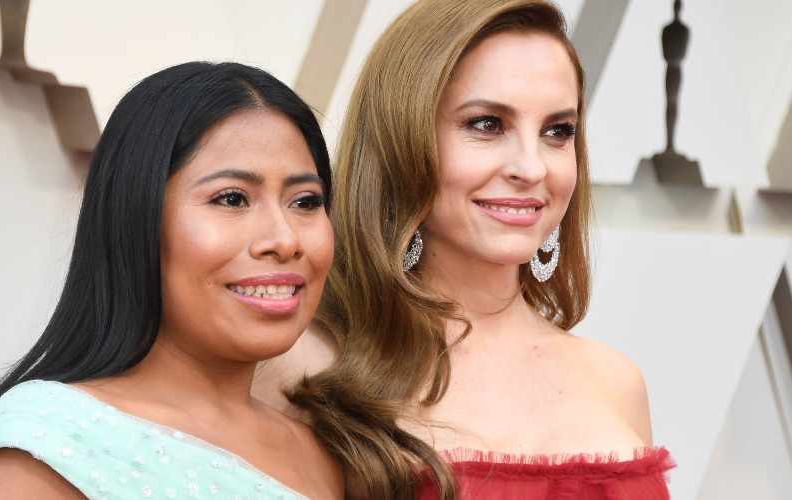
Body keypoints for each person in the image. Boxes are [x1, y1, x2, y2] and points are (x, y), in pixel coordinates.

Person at [272, 1, 675, 498]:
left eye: (557, 131)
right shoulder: (302, 368)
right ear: (401, 139)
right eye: (487, 124)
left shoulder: (617, 381)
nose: (532, 168)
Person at [0, 61, 343, 499]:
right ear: (136, 216)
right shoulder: (47, 448)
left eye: (305, 201)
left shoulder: (328, 456)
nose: (284, 239)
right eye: (232, 198)